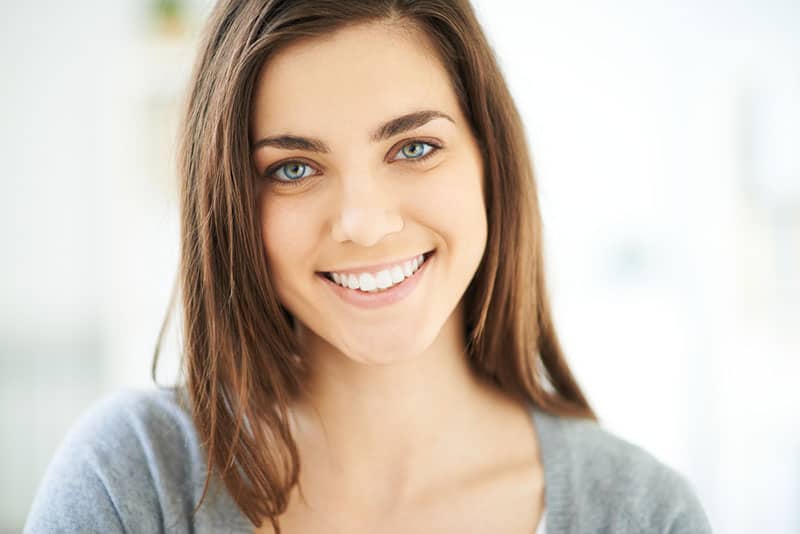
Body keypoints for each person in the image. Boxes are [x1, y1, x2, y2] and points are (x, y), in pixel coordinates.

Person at [25, 1, 713, 533]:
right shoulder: (134, 480)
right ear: (231, 204)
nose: (364, 222)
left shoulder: (640, 512)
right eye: (293, 168)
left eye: (413, 148)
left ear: (488, 161)